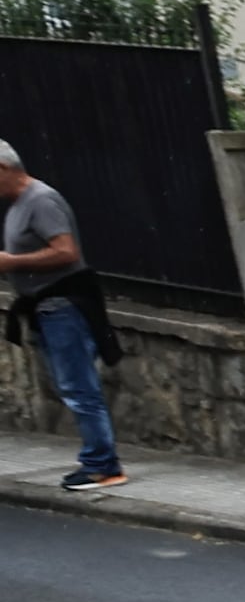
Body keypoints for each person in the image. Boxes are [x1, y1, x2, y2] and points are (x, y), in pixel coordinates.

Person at [2, 136, 124, 493]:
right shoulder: (17, 203)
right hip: (45, 307)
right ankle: (98, 460)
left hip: (63, 305)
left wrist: (12, 262)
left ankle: (103, 465)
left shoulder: (41, 200)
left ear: (4, 169)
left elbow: (66, 252)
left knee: (79, 387)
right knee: (70, 386)